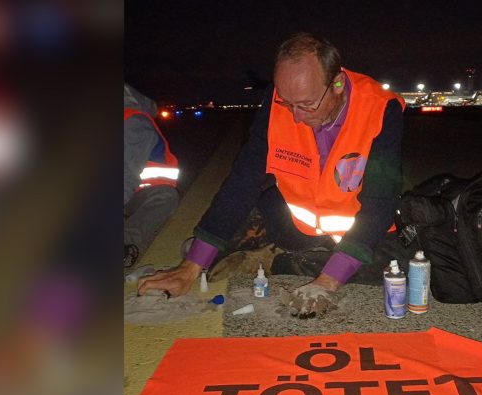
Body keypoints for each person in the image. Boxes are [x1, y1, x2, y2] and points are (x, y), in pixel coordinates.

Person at [138, 32, 405, 318]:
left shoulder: (379, 109)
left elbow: (379, 204)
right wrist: (189, 268)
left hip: (358, 231)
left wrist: (326, 283)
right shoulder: (279, 101)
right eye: (287, 103)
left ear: (337, 83)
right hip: (294, 226)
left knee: (393, 270)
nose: (296, 117)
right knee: (204, 246)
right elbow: (243, 180)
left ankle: (279, 262)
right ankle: (284, 256)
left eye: (307, 104)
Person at [123, 83, 180, 268]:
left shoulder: (132, 123)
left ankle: (126, 244)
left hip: (140, 194)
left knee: (166, 197)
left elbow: (125, 178)